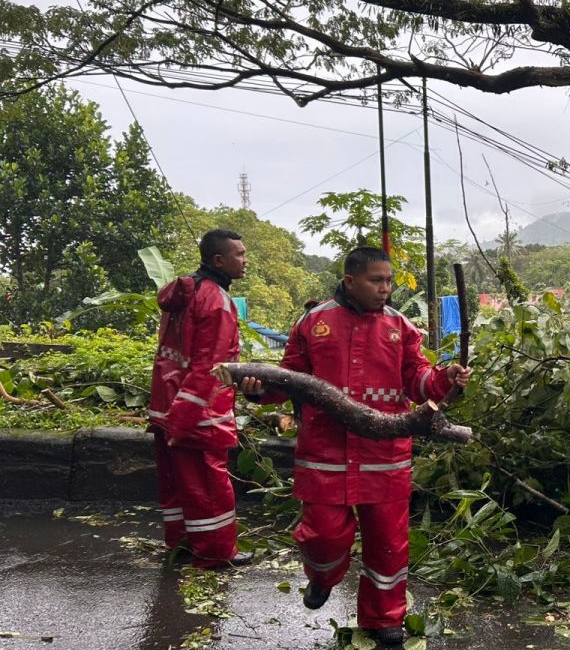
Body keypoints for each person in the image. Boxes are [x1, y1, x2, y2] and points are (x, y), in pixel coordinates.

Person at [239, 247, 470, 650]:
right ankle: (323, 578)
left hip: (385, 456)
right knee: (322, 537)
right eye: (376, 280)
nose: (385, 289)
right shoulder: (314, 321)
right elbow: (291, 376)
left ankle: (385, 619)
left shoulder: (401, 326)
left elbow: (416, 379)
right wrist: (261, 392)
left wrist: (445, 377)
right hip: (324, 453)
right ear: (350, 281)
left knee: (388, 543)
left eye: (388, 281)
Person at [148, 228, 251, 568]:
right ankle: (217, 553)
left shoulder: (182, 293)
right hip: (199, 413)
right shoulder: (216, 300)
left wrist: (172, 414)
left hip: (166, 404)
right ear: (218, 260)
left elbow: (171, 355)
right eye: (239, 254)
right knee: (208, 483)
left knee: (177, 485)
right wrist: (187, 417)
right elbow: (213, 367)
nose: (245, 260)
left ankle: (181, 545)